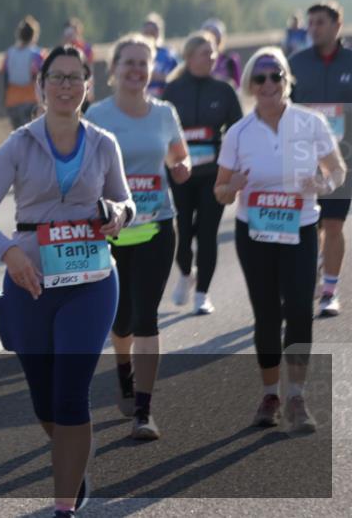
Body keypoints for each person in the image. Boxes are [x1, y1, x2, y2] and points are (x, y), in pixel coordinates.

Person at [0, 45, 134, 518]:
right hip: (31, 281)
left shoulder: (104, 143)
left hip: (92, 280)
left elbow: (127, 203)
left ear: (87, 85)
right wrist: (10, 252)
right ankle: (73, 465)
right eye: (55, 78)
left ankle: (65, 504)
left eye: (73, 77)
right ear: (40, 88)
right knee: (43, 397)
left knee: (70, 392)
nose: (64, 86)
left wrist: (117, 215)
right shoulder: (18, 145)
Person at [214, 47, 346, 432]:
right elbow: (220, 191)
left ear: (288, 80)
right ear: (250, 85)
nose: (269, 84)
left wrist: (323, 184)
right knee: (267, 314)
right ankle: (271, 393)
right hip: (253, 233)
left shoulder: (312, 123)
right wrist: (231, 186)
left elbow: (338, 170)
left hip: (301, 228)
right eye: (261, 78)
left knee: (300, 312)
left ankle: (297, 396)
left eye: (277, 76)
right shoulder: (238, 133)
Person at [85, 33, 190, 440]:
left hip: (157, 226)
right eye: (128, 62)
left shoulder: (164, 113)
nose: (136, 70)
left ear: (152, 70)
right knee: (121, 318)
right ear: (113, 71)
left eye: (143, 63)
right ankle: (123, 369)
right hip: (110, 231)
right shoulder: (97, 114)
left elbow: (178, 155)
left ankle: (144, 411)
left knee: (146, 316)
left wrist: (180, 168)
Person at [163, 31, 243, 314]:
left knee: (207, 234)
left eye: (213, 53)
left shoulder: (223, 90)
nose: (211, 58)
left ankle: (202, 294)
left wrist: (234, 171)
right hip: (179, 174)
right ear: (188, 57)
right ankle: (186, 273)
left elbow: (238, 131)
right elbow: (162, 133)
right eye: (204, 53)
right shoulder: (172, 91)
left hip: (213, 174)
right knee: (182, 234)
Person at [289, 0, 352, 317]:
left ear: (337, 25)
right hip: (303, 160)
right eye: (310, 23)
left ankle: (329, 290)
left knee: (334, 223)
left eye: (320, 23)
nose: (313, 29)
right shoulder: (295, 64)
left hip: (343, 161)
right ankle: (311, 266)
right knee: (309, 226)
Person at [2, 15, 45, 128]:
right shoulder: (37, 54)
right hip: (31, 100)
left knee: (18, 136)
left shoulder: (9, 53)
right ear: (34, 35)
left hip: (12, 100)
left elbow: (5, 78)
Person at [142, 12, 179, 97]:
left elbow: (177, 78)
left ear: (159, 33)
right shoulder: (136, 54)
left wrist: (161, 77)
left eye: (152, 32)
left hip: (163, 96)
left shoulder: (169, 55)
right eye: (146, 32)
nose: (149, 36)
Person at [201, 18, 242, 89]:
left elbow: (238, 88)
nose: (212, 39)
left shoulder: (230, 61)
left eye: (215, 34)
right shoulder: (197, 61)